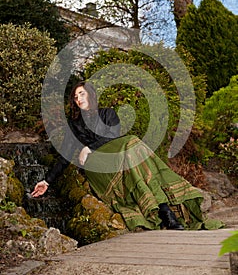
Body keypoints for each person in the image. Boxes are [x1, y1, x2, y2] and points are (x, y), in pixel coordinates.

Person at [31, 81, 220, 231]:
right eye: (75, 96)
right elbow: (64, 156)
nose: (78, 98)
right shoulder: (74, 125)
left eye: (82, 93)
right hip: (97, 167)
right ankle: (166, 212)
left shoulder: (108, 114)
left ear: (91, 94)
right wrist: (46, 182)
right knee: (133, 144)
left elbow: (113, 136)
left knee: (133, 148)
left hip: (115, 154)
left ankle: (164, 211)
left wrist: (88, 148)